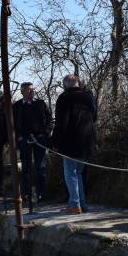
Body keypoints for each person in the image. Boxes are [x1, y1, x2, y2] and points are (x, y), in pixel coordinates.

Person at [51, 74, 96, 214]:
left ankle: (74, 204)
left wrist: (55, 142)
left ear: (65, 85)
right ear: (78, 83)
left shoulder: (64, 98)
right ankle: (81, 203)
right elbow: (95, 117)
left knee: (70, 173)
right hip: (87, 140)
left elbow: (61, 123)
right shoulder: (89, 96)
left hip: (71, 142)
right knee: (79, 173)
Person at [13, 82, 52, 203]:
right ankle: (27, 193)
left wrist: (45, 133)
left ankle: (41, 194)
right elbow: (12, 124)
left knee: (40, 167)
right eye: (29, 90)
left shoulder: (40, 104)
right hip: (24, 140)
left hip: (39, 139)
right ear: (22, 92)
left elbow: (49, 120)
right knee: (26, 168)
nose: (31, 92)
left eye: (32, 90)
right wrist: (19, 137)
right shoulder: (17, 106)